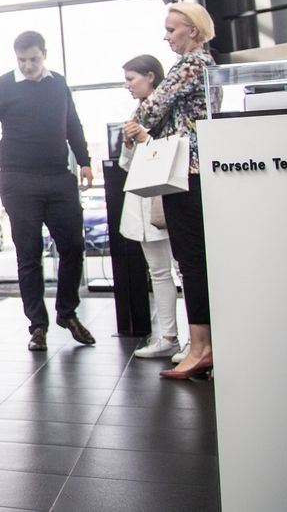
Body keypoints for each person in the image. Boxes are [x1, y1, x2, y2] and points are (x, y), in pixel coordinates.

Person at [0, 31, 95, 351]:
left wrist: (85, 162)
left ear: (44, 54)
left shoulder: (58, 84)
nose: (27, 65)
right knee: (29, 254)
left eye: (33, 59)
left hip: (58, 177)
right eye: (22, 60)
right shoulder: (4, 84)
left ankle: (67, 312)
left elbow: (73, 124)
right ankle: (37, 325)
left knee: (73, 246)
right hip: (17, 179)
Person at [123, 2, 215, 380]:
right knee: (196, 261)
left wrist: (138, 121)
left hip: (186, 173)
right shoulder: (206, 65)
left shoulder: (191, 64)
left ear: (192, 30)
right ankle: (202, 344)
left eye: (172, 29)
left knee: (191, 261)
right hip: (199, 170)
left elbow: (149, 111)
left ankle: (202, 347)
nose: (166, 36)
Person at [119, 55, 182, 359]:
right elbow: (126, 164)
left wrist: (144, 139)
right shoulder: (136, 114)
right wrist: (132, 144)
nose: (128, 85)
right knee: (159, 271)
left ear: (150, 77)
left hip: (171, 197)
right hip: (145, 203)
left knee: (185, 270)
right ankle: (168, 336)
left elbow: (174, 153)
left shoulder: (170, 109)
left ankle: (199, 340)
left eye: (132, 79)